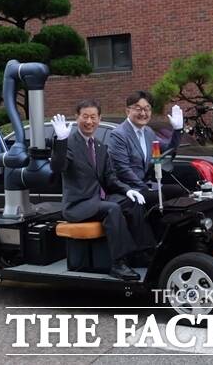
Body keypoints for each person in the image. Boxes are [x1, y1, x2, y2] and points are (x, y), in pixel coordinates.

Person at [49, 99, 155, 281]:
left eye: (93, 117)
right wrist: (61, 141)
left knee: (133, 202)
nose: (89, 122)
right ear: (77, 117)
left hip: (97, 201)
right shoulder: (69, 143)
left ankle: (142, 252)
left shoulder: (100, 146)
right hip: (77, 205)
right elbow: (58, 167)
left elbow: (110, 179)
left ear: (99, 118)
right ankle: (118, 263)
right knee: (112, 209)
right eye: (85, 117)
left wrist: (128, 190)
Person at [108, 91, 186, 208]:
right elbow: (122, 169)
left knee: (178, 191)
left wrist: (177, 130)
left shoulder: (148, 131)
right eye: (138, 109)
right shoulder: (119, 134)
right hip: (127, 188)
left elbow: (169, 148)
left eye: (147, 109)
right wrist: (146, 189)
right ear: (127, 111)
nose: (143, 113)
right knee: (156, 198)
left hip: (145, 185)